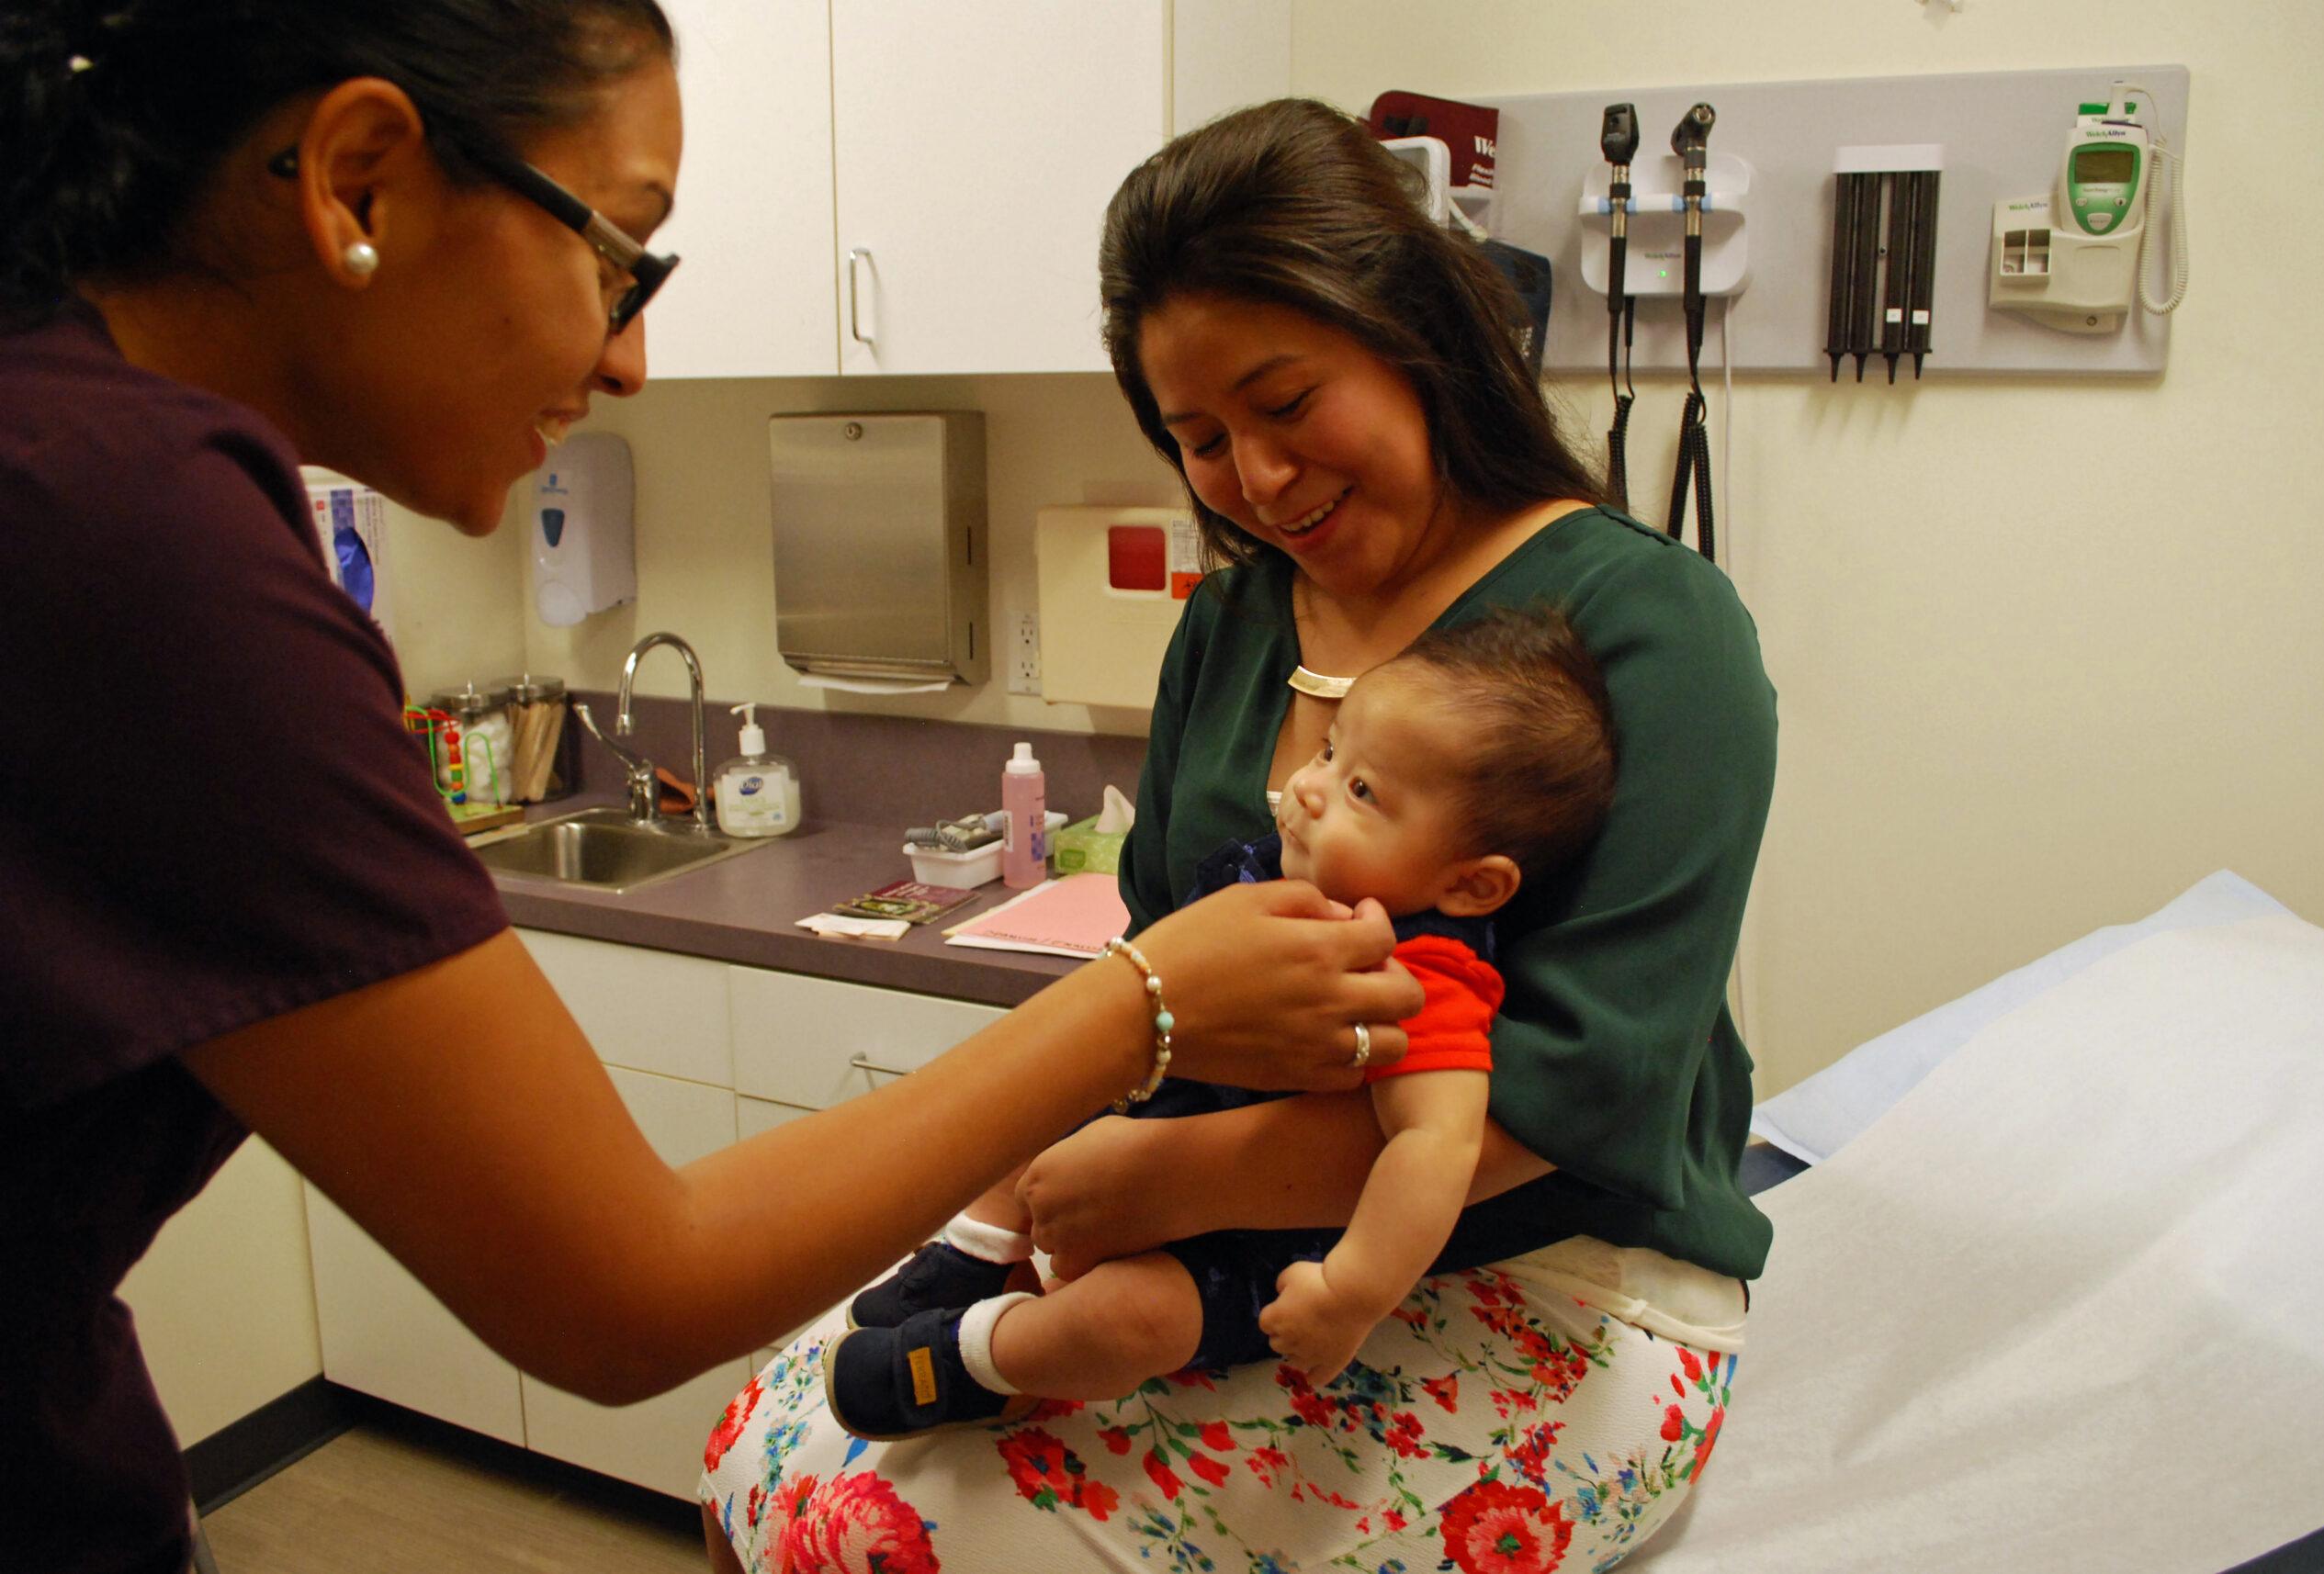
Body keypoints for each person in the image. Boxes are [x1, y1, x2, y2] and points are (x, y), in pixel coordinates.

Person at [0, 16, 1422, 1573]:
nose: (630, 357)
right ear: (358, 181)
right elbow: (622, 1285)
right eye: (624, 257)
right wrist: (1144, 1000)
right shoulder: (132, 535)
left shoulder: (65, 444)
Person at [700, 97, 1777, 1574]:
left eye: (1286, 404)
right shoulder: (1234, 620)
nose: (1257, 480)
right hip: (1204, 1234)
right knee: (772, 1448)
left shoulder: (1651, 627)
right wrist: (1090, 1165)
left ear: (1412, 336)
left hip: (1552, 1265)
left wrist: (1156, 1183)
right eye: (1201, 438)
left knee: (895, 1538)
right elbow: (1160, 959)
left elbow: (1585, 1092)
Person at [818, 607, 1618, 1442]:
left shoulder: (1424, 977)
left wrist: (1350, 1291)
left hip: (1253, 1247)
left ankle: (975, 1361)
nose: (1308, 785)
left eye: (1362, 791)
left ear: (1473, 886)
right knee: (1048, 1082)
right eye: (1331, 751)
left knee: (1127, 1322)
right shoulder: (1281, 881)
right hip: (1142, 1133)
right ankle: (974, 1256)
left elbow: (1437, 1148)